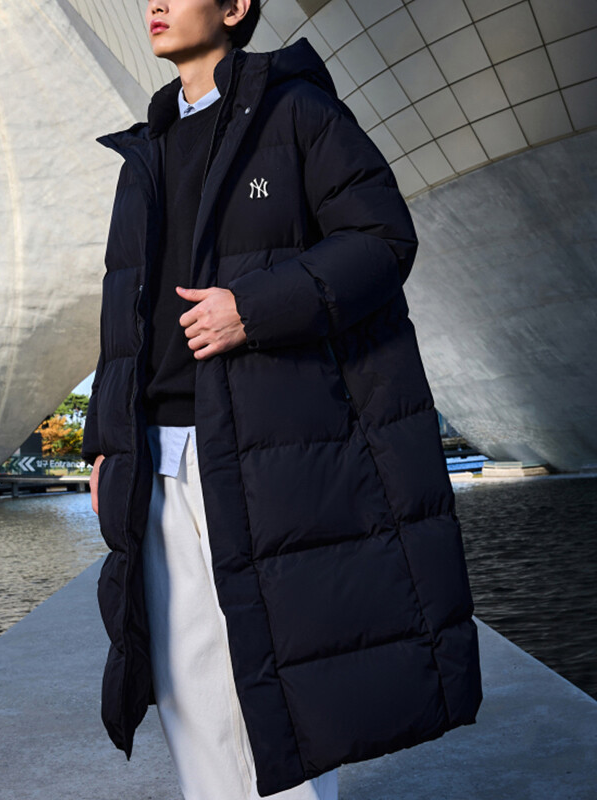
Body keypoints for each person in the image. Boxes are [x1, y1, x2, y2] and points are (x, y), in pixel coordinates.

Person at [82, 1, 483, 798]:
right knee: (186, 682)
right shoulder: (144, 153)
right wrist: (103, 443)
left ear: (235, 7)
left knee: (280, 678)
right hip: (158, 455)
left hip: (264, 446)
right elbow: (124, 315)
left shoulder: (296, 112)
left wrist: (253, 309)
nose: (155, 3)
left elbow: (381, 240)